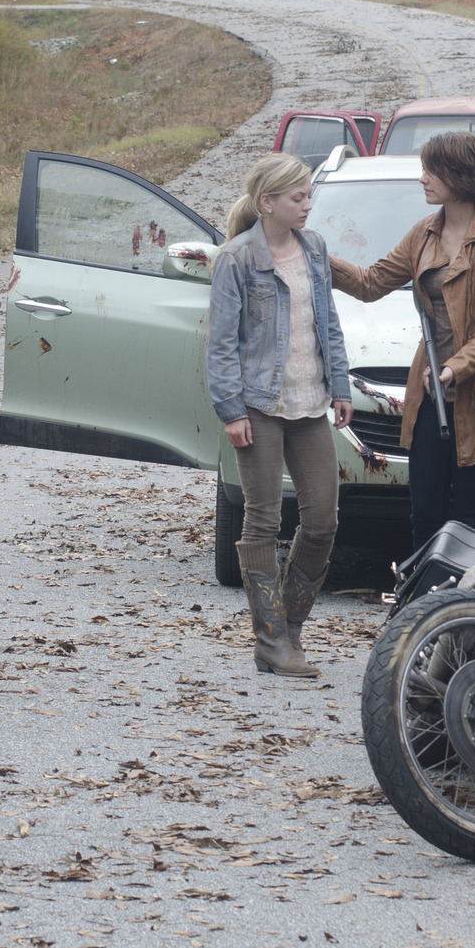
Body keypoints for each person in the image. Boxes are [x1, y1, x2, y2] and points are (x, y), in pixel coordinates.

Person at [329, 132, 475, 554]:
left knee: (472, 515)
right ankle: (422, 606)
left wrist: (453, 369)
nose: (421, 178)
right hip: (429, 391)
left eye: (430, 170)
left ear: (459, 175)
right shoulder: (424, 232)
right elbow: (371, 283)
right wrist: (315, 254)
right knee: (424, 511)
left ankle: (466, 610)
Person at [207, 154, 354, 679]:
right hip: (258, 405)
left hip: (310, 401)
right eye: (298, 198)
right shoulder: (236, 258)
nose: (308, 205)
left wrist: (339, 383)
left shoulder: (313, 248)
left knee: (322, 521)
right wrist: (230, 410)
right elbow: (222, 343)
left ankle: (287, 625)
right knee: (263, 519)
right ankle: (271, 641)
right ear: (268, 202)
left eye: (310, 195)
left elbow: (327, 322)